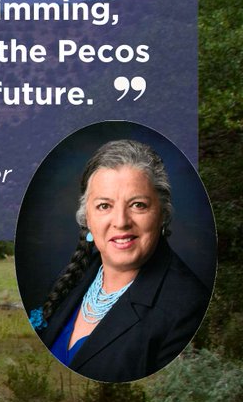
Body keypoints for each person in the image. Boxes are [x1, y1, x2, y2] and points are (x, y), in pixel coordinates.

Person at [29, 139, 210, 382]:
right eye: (104, 206)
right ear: (87, 219)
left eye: (138, 205)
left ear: (163, 214)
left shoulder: (188, 308)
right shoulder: (71, 278)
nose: (121, 221)